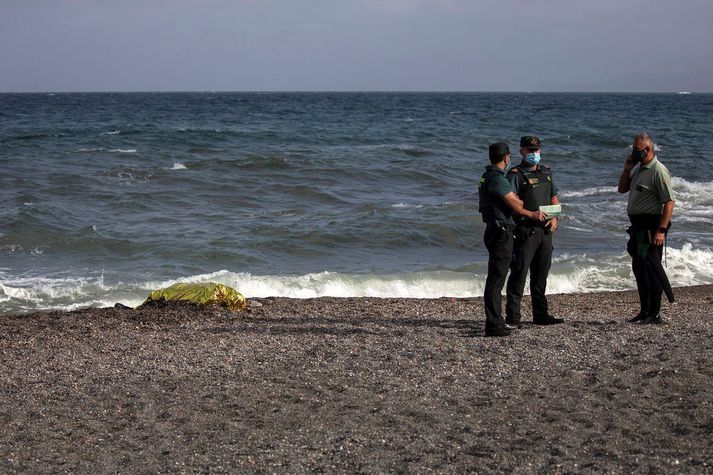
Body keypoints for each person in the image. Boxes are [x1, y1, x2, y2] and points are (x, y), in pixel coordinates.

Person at [478, 142, 546, 337]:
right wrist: (528, 211)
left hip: (495, 229)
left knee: (496, 277)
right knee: (497, 279)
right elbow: (516, 203)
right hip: (501, 231)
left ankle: (495, 320)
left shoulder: (487, 176)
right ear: (506, 158)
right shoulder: (497, 179)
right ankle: (494, 323)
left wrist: (516, 199)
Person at [505, 136, 564, 326]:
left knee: (541, 274)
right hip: (525, 230)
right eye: (530, 151)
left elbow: (554, 198)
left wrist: (555, 218)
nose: (533, 154)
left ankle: (541, 314)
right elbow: (511, 203)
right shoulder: (515, 174)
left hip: (545, 231)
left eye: (536, 150)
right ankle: (513, 317)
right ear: (521, 151)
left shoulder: (546, 172)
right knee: (519, 273)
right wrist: (530, 214)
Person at [618, 132, 675, 324]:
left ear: (648, 149)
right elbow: (622, 188)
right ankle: (644, 311)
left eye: (636, 149)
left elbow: (669, 202)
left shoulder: (658, 170)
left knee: (652, 267)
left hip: (651, 226)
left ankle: (655, 313)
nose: (633, 152)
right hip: (638, 227)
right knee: (639, 267)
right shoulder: (638, 168)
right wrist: (627, 170)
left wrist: (661, 230)